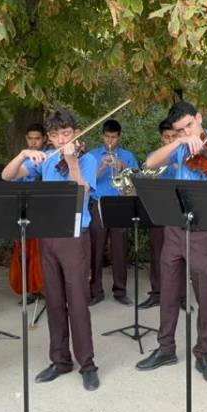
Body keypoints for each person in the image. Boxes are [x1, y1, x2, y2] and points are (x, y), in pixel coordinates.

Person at [1, 108, 101, 391]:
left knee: (78, 302)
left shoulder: (87, 159)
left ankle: (88, 363)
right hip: (48, 235)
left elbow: (82, 194)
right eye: (55, 135)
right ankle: (60, 360)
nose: (60, 139)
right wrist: (23, 154)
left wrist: (72, 162)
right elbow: (9, 176)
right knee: (53, 301)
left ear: (76, 133)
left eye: (66, 133)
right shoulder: (44, 160)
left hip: (75, 235)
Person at [136, 101, 207, 384]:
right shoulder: (179, 148)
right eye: (179, 129)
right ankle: (166, 348)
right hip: (174, 227)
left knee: (204, 293)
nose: (187, 132)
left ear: (200, 118)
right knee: (168, 289)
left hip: (204, 229)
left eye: (189, 126)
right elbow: (150, 162)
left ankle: (203, 353)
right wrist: (180, 141)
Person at [88, 118, 139, 305]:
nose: (110, 141)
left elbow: (137, 179)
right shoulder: (93, 156)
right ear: (102, 136)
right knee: (96, 249)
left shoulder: (127, 155)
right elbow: (85, 182)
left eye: (114, 137)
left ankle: (120, 290)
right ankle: (95, 291)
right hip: (99, 204)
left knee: (119, 250)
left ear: (119, 137)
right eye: (107, 137)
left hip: (120, 205)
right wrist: (101, 167)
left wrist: (123, 167)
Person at [139, 118, 177, 309]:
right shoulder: (155, 155)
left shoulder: (185, 154)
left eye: (173, 136)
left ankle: (181, 296)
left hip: (179, 209)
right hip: (158, 209)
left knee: (181, 255)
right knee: (157, 252)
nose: (169, 140)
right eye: (166, 137)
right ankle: (156, 293)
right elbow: (143, 176)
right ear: (161, 137)